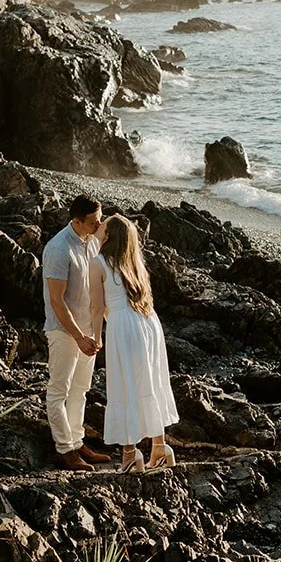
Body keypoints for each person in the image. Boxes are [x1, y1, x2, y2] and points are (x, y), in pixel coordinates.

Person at [88, 214, 179, 472]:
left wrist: (96, 337)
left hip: (124, 327)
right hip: (148, 323)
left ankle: (130, 454)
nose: (99, 225)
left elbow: (97, 308)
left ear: (109, 235)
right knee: (149, 381)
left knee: (124, 385)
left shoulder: (98, 263)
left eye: (103, 224)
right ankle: (160, 448)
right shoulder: (135, 263)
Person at [42, 195, 112, 471]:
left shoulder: (91, 241)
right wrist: (79, 337)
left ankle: (76, 440)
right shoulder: (59, 248)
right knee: (59, 391)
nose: (99, 225)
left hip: (87, 331)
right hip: (63, 331)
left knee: (81, 391)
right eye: (94, 222)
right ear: (76, 221)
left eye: (99, 219)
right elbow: (57, 301)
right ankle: (64, 449)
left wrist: (97, 332)